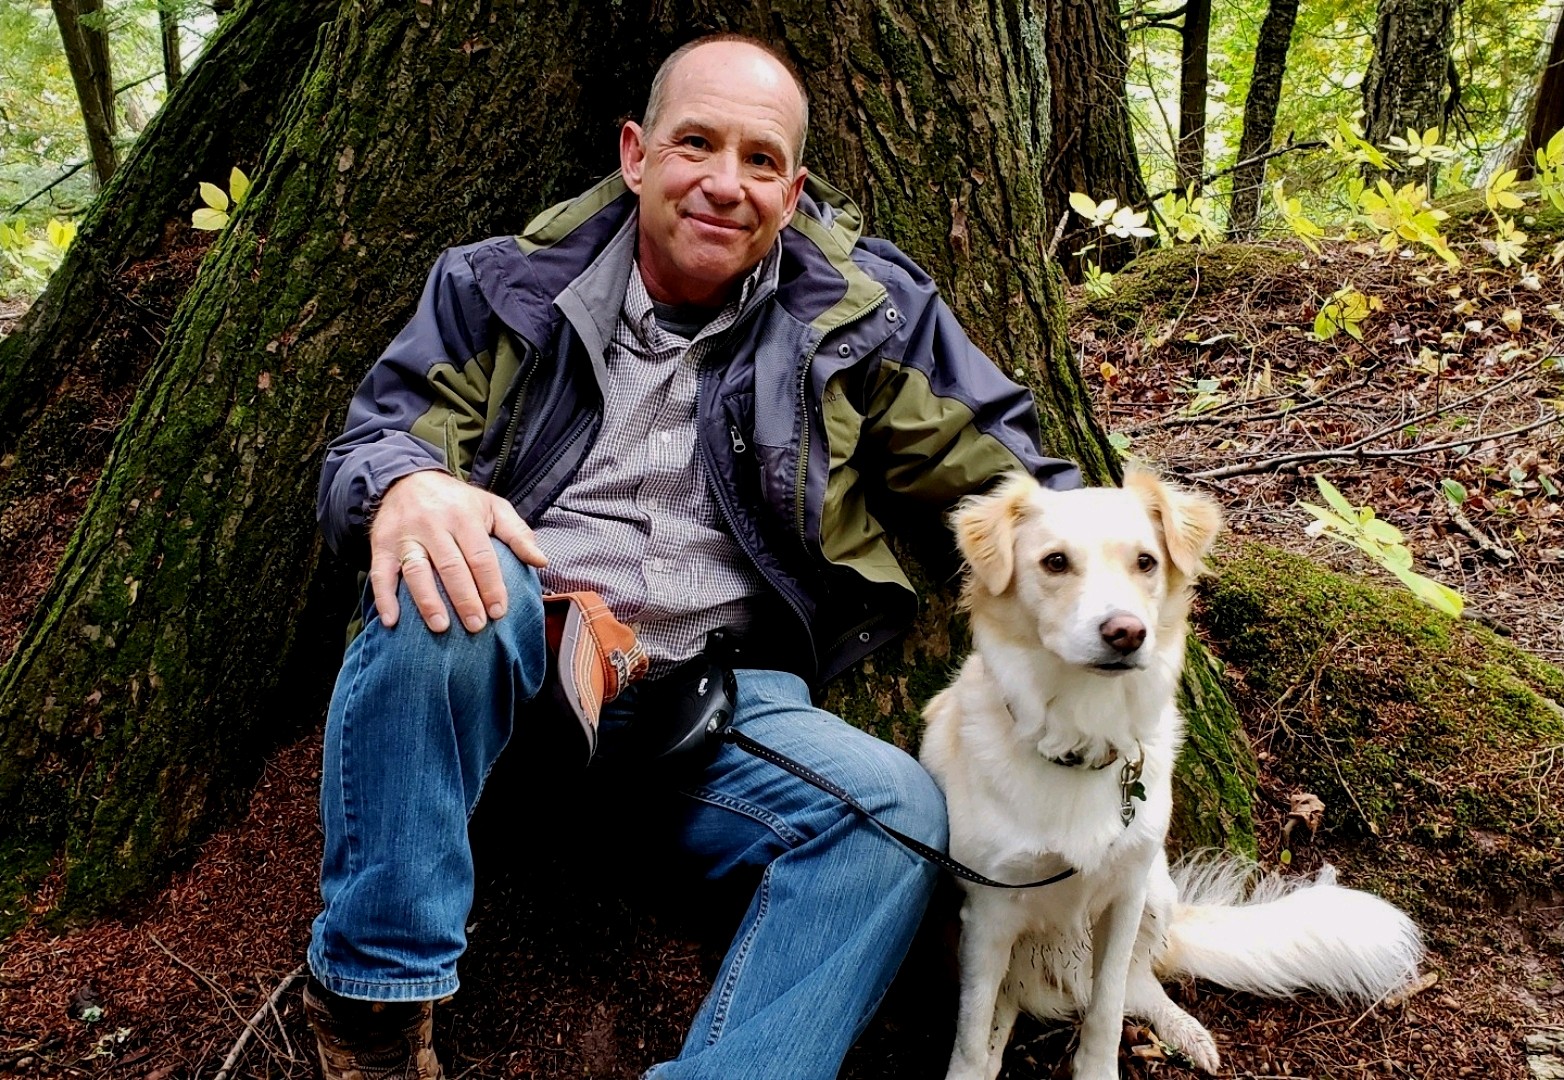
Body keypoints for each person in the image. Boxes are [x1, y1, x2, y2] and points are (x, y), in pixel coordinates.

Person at [304, 32, 1079, 1080]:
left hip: (703, 705)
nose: (725, 184)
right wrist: (406, 484)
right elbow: (378, 439)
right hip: (511, 665)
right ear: (634, 154)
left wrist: (1120, 562)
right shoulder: (502, 288)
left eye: (760, 161)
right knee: (444, 585)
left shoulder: (854, 316)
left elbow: (1009, 472)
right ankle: (375, 1008)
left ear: (793, 189)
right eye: (694, 145)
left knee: (893, 817)